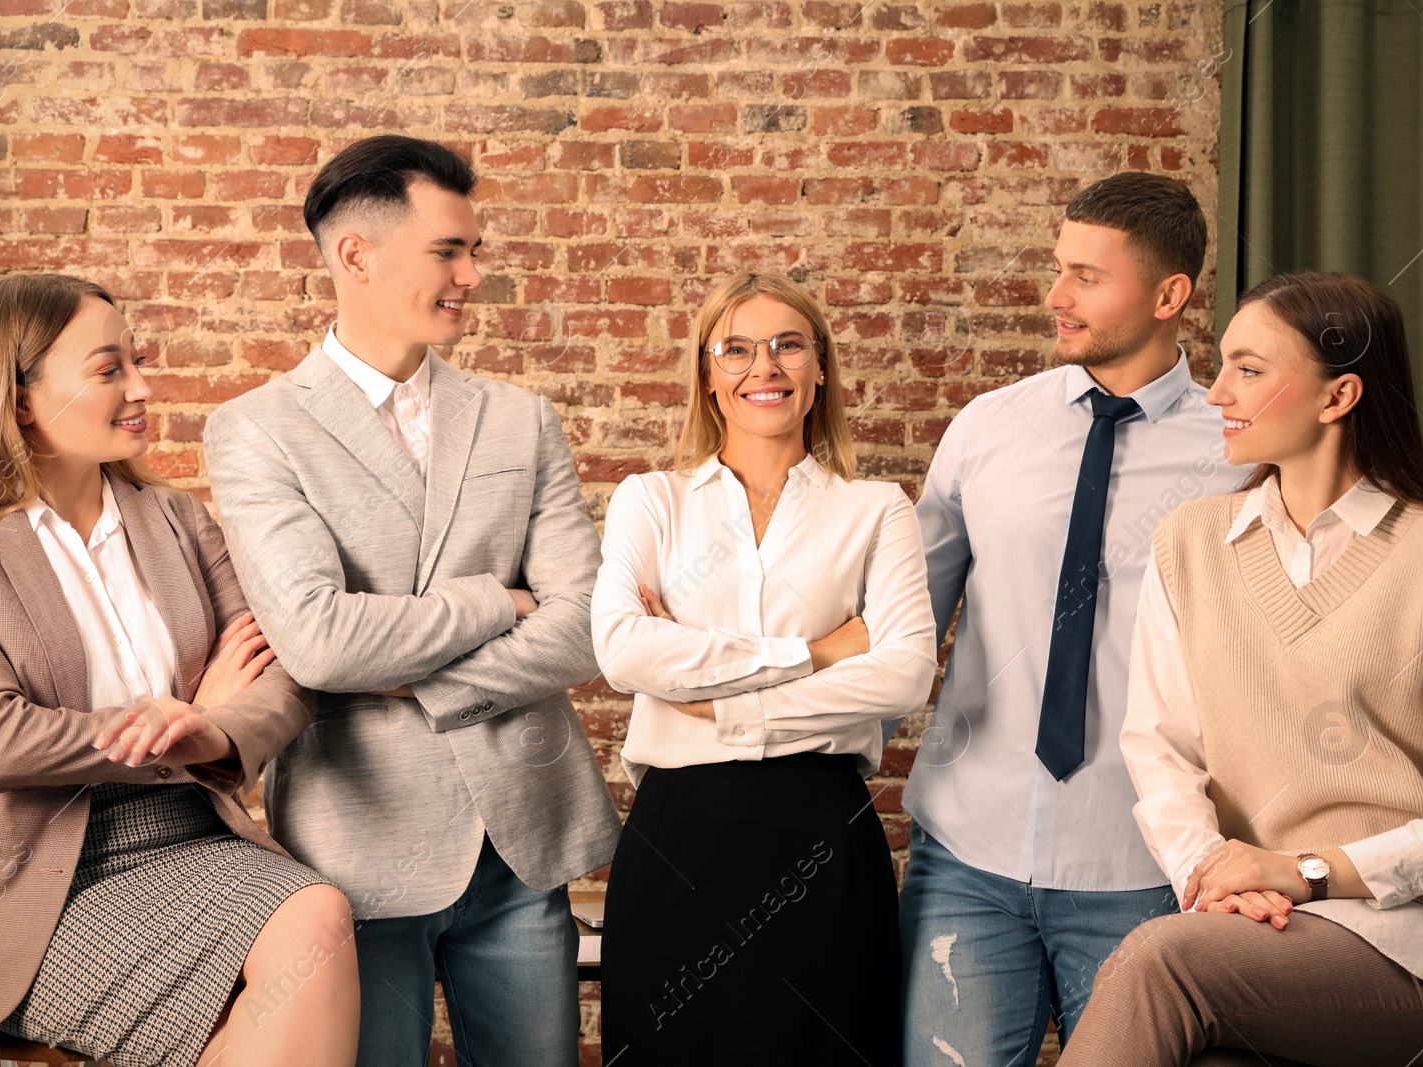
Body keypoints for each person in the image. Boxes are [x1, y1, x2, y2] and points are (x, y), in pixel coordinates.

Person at [203, 134, 619, 1067]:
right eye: (449, 251)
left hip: (522, 840)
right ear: (356, 254)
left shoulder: (521, 416)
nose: (473, 274)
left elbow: (588, 619)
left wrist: (418, 681)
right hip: (359, 850)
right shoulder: (256, 430)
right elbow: (319, 641)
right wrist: (498, 602)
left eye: (475, 251)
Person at [1059, 271, 1423, 1067]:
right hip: (1272, 934)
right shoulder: (1190, 542)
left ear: (1337, 395)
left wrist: (1311, 871)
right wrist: (1214, 870)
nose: (1216, 395)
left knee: (1162, 960)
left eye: (1248, 369)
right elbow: (1159, 746)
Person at [0, 273, 357, 1067]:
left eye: (138, 360)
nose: (142, 386)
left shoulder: (177, 518)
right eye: (109, 370)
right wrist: (174, 721)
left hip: (194, 835)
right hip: (34, 882)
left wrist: (215, 725)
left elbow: (285, 676)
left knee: (318, 919)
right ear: (20, 398)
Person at [897, 171, 1244, 1064]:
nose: (1057, 296)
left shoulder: (1241, 455)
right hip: (967, 858)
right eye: (1060, 268)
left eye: (1088, 275)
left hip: (1149, 872)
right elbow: (905, 623)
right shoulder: (986, 429)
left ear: (1172, 296)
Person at [592, 271, 937, 1066]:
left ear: (820, 370)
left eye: (789, 345)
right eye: (738, 349)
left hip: (821, 836)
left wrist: (715, 698)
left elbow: (904, 673)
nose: (765, 367)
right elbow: (624, 651)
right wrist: (814, 653)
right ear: (709, 376)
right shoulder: (652, 500)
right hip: (680, 840)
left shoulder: (876, 508)